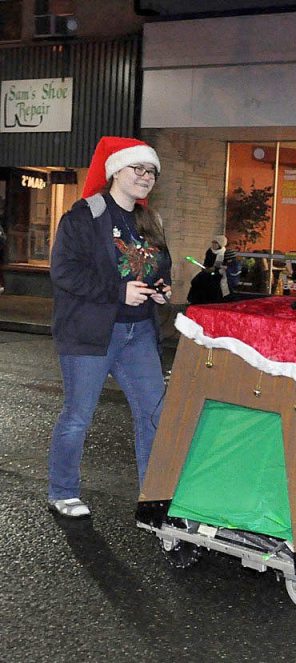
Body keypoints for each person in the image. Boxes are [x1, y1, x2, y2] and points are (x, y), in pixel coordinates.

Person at [47, 136, 172, 519]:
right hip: (92, 332)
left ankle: (154, 498)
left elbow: (159, 265)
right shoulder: (85, 216)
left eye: (151, 172)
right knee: (78, 416)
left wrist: (161, 288)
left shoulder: (149, 221)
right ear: (116, 170)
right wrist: (118, 292)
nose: (146, 177)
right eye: (139, 168)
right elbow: (64, 272)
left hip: (139, 332)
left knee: (154, 413)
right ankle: (62, 491)